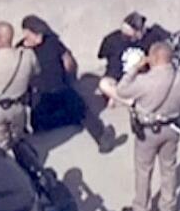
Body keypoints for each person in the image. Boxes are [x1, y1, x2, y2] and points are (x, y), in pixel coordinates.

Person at [106, 41, 180, 211]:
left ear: (152, 58)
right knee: (169, 167)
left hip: (147, 132)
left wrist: (135, 69)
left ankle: (142, 210)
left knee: (144, 170)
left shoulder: (144, 81)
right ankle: (168, 207)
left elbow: (122, 90)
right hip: (172, 128)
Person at [19, 14, 121, 153]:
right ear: (25, 33)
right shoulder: (28, 49)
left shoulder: (49, 42)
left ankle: (101, 137)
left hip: (56, 89)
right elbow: (68, 63)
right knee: (74, 112)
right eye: (35, 34)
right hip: (44, 94)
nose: (39, 37)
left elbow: (69, 63)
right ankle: (89, 128)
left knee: (79, 109)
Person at [97, 11, 170, 81]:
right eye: (123, 34)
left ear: (141, 31)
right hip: (116, 82)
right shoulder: (112, 39)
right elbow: (101, 56)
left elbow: (173, 44)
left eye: (129, 36)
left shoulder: (155, 35)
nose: (124, 38)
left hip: (142, 82)